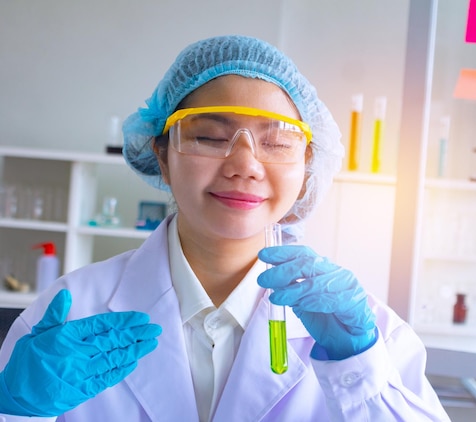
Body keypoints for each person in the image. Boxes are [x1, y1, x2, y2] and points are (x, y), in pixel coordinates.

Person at [0, 35, 449, 421]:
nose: (245, 166)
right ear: (161, 154)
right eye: (210, 137)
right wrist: (14, 409)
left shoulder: (370, 335)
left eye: (276, 142)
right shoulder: (68, 317)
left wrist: (358, 369)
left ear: (307, 165)